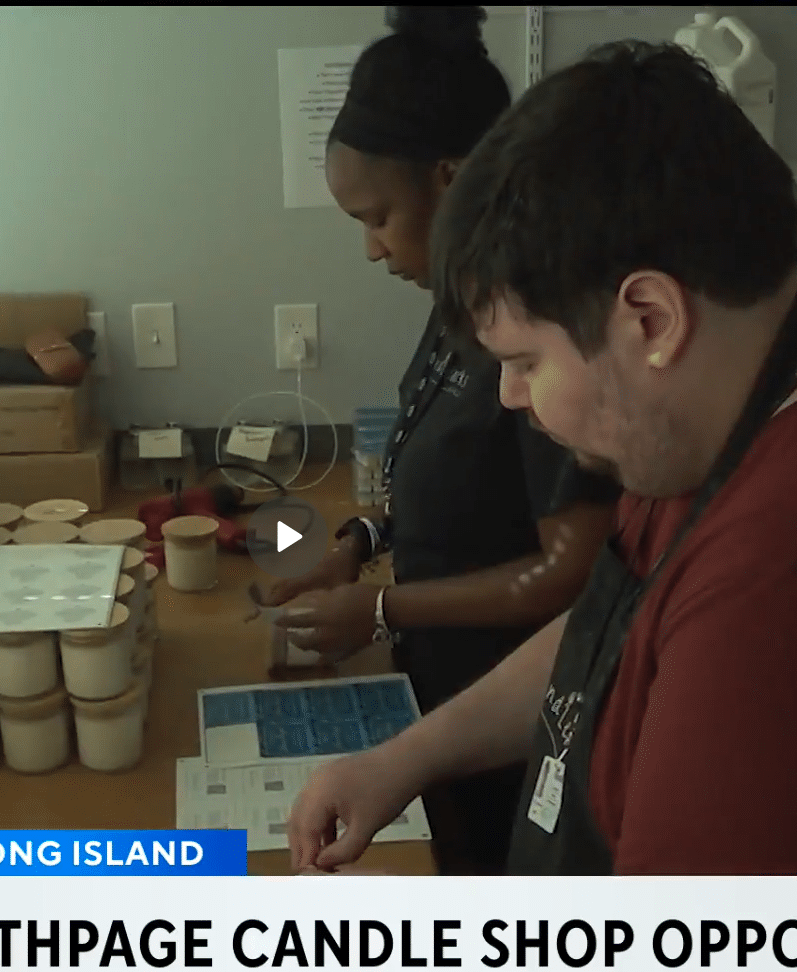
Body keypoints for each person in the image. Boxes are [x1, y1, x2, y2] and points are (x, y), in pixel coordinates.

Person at [288, 40, 797, 876]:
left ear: (650, 320)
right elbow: (607, 633)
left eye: (524, 361)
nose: (511, 396)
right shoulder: (770, 367)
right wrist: (405, 760)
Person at [266, 7, 619, 876]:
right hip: (436, 698)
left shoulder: (534, 332)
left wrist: (382, 610)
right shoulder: (456, 307)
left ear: (450, 180)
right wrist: (358, 545)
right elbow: (455, 489)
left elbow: (570, 573)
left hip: (506, 721)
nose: (370, 248)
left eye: (378, 216)